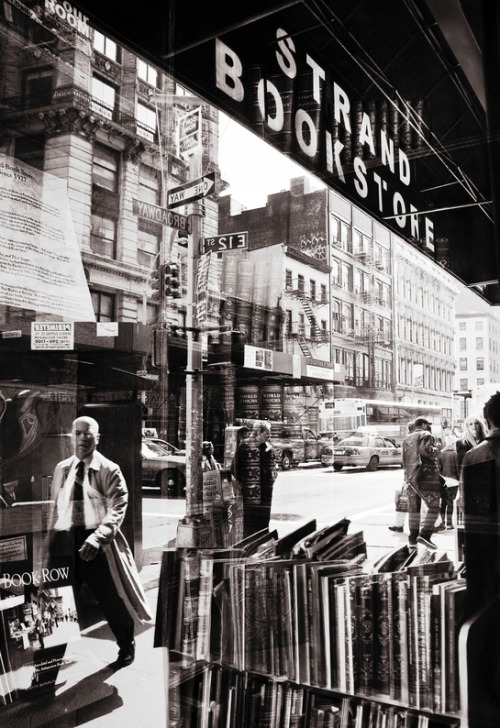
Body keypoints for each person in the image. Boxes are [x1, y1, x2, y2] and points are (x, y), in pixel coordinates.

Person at [45, 416, 153, 667]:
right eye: (78, 433)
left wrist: (98, 537)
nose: (83, 437)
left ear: (97, 438)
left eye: (88, 433)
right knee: (57, 603)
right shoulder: (62, 468)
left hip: (96, 543)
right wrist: (49, 542)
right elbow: (55, 509)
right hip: (65, 541)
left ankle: (127, 645)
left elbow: (118, 507)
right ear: (71, 437)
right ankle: (46, 670)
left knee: (110, 599)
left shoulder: (109, 469)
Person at [230, 421, 277, 537]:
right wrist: (246, 482)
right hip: (251, 493)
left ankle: (263, 540)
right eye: (267, 433)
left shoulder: (267, 448)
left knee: (264, 520)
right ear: (258, 433)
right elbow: (234, 468)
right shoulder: (245, 447)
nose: (269, 436)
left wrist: (273, 474)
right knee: (251, 522)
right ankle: (250, 544)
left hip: (266, 493)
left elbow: (273, 465)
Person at [437, 434, 460, 530]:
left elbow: (438, 469)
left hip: (443, 481)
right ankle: (449, 523)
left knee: (443, 502)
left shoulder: (441, 454)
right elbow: (458, 469)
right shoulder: (455, 455)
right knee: (451, 502)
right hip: (454, 481)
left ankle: (442, 521)